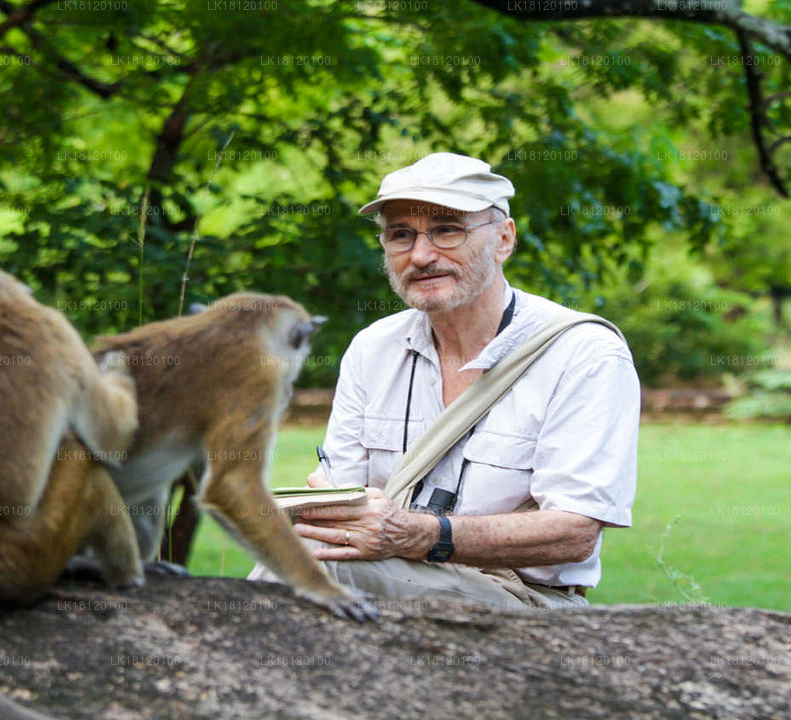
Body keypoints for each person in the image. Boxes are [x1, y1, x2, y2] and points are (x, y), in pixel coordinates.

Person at [248, 152, 640, 609]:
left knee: (321, 564)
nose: (421, 255)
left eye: (447, 230)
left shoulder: (583, 353)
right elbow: (341, 499)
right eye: (400, 235)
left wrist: (417, 535)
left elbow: (574, 534)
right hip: (391, 576)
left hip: (524, 599)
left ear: (504, 240)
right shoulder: (373, 349)